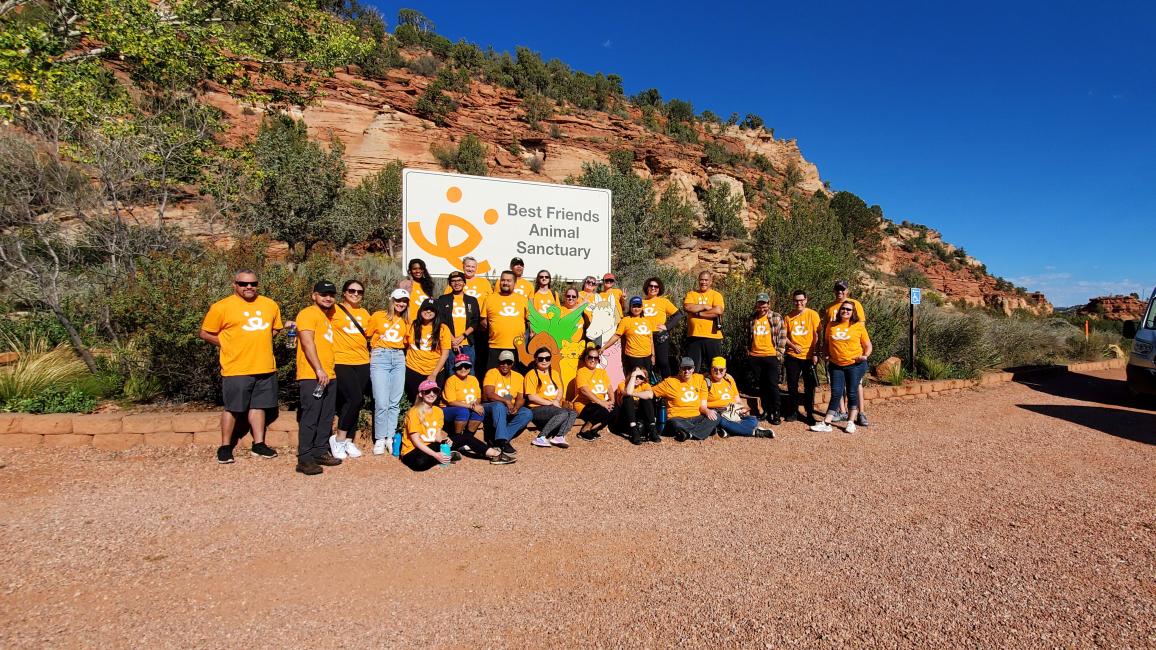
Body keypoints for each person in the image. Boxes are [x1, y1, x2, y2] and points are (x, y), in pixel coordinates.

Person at [199, 269, 283, 464]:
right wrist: (228, 344)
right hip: (236, 367)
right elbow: (205, 333)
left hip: (265, 366)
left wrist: (261, 342)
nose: (249, 287)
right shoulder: (222, 307)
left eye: (253, 283)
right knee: (233, 408)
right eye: (244, 284)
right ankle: (225, 446)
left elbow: (276, 328)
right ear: (234, 285)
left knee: (259, 406)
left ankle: (259, 444)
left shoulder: (269, 304)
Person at [293, 280, 342, 475]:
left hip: (329, 374)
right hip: (312, 374)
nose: (328, 298)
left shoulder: (326, 317)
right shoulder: (307, 314)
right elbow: (306, 342)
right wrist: (319, 369)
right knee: (311, 416)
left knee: (326, 416)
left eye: (331, 294)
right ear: (314, 295)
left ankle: (320, 451)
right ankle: (304, 458)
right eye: (323, 294)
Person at [811, 301, 873, 434]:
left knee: (851, 392)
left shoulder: (858, 326)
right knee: (836, 393)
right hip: (836, 365)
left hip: (854, 365)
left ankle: (851, 422)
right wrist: (826, 354)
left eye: (849, 310)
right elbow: (827, 343)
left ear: (853, 313)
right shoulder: (831, 325)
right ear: (839, 311)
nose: (845, 311)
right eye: (843, 309)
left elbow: (868, 345)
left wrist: (865, 355)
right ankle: (827, 423)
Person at [329, 279, 371, 460]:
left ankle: (348, 440)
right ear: (344, 292)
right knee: (355, 398)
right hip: (341, 360)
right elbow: (316, 322)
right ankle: (338, 439)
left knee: (354, 402)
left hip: (362, 361)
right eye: (351, 291)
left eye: (359, 292)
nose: (355, 294)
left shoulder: (364, 313)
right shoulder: (334, 309)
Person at [368, 288, 409, 455]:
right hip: (380, 356)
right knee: (381, 401)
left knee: (394, 401)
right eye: (398, 300)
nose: (401, 304)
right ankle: (379, 438)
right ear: (392, 300)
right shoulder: (378, 316)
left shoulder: (407, 322)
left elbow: (407, 342)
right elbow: (367, 334)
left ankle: (390, 437)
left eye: (404, 301)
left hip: (399, 358)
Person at [823, 280, 870, 427]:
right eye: (837, 289)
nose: (840, 292)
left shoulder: (854, 304)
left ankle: (860, 413)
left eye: (842, 289)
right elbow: (827, 332)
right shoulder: (830, 307)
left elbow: (860, 327)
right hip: (836, 356)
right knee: (838, 387)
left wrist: (862, 353)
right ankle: (842, 412)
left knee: (855, 386)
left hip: (853, 356)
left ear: (847, 290)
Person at [441, 354, 501, 461]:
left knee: (480, 410)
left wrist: (476, 404)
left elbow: (478, 397)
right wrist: (471, 406)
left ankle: (467, 437)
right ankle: (457, 439)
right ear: (455, 368)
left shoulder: (473, 379)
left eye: (466, 366)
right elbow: (451, 402)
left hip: (468, 407)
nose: (463, 369)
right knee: (463, 412)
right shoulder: (451, 380)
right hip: (449, 409)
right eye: (460, 366)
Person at [481, 350, 531, 463]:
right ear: (499, 362)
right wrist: (506, 402)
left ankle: (498, 440)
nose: (505, 365)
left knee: (527, 413)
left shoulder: (518, 377)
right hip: (491, 406)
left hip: (508, 407)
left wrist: (516, 407)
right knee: (499, 406)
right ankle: (502, 442)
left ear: (512, 364)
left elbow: (521, 397)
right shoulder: (492, 373)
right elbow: (489, 394)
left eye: (508, 363)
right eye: (503, 362)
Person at [706, 357, 774, 438]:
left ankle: (728, 431)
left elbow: (736, 397)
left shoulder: (729, 379)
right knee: (720, 420)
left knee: (753, 421)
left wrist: (741, 408)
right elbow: (701, 402)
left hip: (733, 410)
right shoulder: (706, 381)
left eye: (721, 370)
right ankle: (755, 432)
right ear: (711, 369)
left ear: (725, 370)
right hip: (719, 412)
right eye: (715, 369)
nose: (718, 372)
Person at [651, 357, 716, 441]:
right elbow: (651, 392)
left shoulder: (699, 378)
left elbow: (713, 374)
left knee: (716, 416)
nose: (687, 371)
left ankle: (689, 434)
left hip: (696, 417)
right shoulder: (670, 382)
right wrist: (634, 392)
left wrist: (727, 375)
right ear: (680, 369)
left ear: (693, 369)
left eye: (689, 368)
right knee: (675, 423)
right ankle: (703, 431)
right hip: (678, 418)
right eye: (684, 368)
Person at [523, 347, 577, 448]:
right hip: (537, 408)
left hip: (553, 407)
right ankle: (541, 437)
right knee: (563, 412)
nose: (544, 361)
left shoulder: (555, 373)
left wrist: (556, 400)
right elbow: (531, 397)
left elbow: (560, 390)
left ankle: (559, 436)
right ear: (536, 359)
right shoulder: (531, 375)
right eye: (541, 358)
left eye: (547, 358)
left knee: (573, 412)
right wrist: (551, 403)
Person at [748, 292, 787, 425]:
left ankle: (776, 412)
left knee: (773, 385)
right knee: (762, 386)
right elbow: (748, 336)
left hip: (771, 356)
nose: (762, 307)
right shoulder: (752, 318)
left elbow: (782, 336)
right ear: (756, 304)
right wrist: (748, 352)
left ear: (769, 304)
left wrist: (779, 354)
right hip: (755, 356)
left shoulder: (776, 317)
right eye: (760, 304)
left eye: (765, 304)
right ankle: (765, 410)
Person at [399, 380, 455, 472]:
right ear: (421, 394)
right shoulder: (414, 412)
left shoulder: (438, 411)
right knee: (420, 463)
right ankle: (446, 456)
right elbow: (416, 441)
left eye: (435, 391)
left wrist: (443, 440)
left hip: (430, 445)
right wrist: (436, 455)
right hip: (412, 450)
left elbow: (437, 436)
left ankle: (487, 452)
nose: (432, 394)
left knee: (464, 438)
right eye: (428, 391)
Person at [783, 289, 822, 424]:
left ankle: (809, 413)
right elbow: (784, 336)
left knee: (809, 386)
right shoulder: (788, 317)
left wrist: (816, 353)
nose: (798, 303)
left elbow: (817, 335)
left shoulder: (813, 315)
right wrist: (793, 346)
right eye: (796, 300)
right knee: (792, 385)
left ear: (806, 300)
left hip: (809, 357)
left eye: (801, 300)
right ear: (793, 301)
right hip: (792, 355)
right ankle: (793, 411)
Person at [404, 299, 452, 402]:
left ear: (436, 313)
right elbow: (404, 344)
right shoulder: (412, 325)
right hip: (413, 369)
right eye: (426, 309)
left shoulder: (443, 329)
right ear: (420, 310)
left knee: (431, 401)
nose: (428, 312)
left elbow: (445, 354)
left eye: (432, 310)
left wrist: (434, 374)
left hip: (435, 371)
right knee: (416, 400)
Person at [434, 270, 481, 373]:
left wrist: (462, 336)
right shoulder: (443, 299)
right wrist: (453, 340)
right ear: (450, 283)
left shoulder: (472, 300)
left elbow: (475, 321)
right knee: (452, 372)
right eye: (453, 281)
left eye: (459, 280)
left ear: (464, 282)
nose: (457, 283)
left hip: (467, 343)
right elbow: (441, 321)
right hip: (449, 344)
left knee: (469, 373)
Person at [482, 271, 528, 370]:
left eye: (509, 280)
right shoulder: (490, 298)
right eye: (503, 280)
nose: (505, 283)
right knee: (493, 377)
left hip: (517, 347)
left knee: (516, 379)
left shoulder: (523, 299)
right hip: (495, 346)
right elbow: (483, 321)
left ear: (515, 284)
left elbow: (530, 320)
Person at [683, 271, 725, 372]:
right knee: (692, 368)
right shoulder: (692, 294)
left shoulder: (716, 295)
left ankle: (716, 387)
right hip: (694, 336)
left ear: (711, 281)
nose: (703, 282)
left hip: (713, 337)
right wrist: (705, 306)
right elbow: (688, 307)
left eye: (706, 280)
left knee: (715, 368)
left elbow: (718, 311)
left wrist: (699, 314)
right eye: (701, 279)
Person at [602, 296, 654, 376]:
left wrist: (653, 355)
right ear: (630, 307)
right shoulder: (625, 320)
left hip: (647, 356)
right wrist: (604, 347)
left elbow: (651, 340)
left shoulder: (647, 321)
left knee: (646, 379)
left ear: (642, 307)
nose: (636, 309)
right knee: (634, 379)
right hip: (634, 356)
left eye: (639, 306)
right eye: (634, 306)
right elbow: (616, 336)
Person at [642, 277, 682, 379]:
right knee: (647, 363)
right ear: (647, 287)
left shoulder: (664, 301)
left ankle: (667, 385)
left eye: (656, 286)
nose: (653, 288)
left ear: (659, 289)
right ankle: (648, 387)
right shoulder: (641, 302)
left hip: (660, 336)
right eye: (651, 286)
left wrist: (667, 326)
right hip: (644, 336)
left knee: (663, 362)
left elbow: (678, 315)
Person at [573, 347, 613, 440]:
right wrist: (602, 402)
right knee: (603, 409)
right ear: (585, 358)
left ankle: (593, 429)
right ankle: (584, 430)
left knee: (615, 409)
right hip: (584, 404)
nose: (593, 360)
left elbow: (609, 387)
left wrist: (612, 400)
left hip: (599, 404)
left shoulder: (602, 372)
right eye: (590, 357)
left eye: (596, 358)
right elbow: (584, 390)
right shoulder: (581, 371)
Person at [617, 367, 660, 445]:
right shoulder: (623, 384)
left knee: (646, 399)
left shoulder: (645, 385)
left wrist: (634, 394)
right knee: (627, 398)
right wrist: (633, 376)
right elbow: (628, 392)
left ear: (644, 379)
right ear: (631, 375)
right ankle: (634, 431)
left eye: (640, 377)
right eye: (635, 376)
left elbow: (650, 395)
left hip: (639, 416)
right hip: (626, 417)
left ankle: (652, 428)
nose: (637, 379)